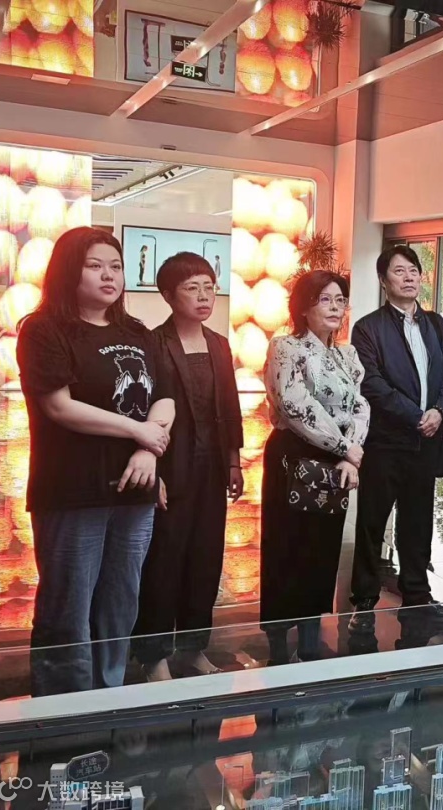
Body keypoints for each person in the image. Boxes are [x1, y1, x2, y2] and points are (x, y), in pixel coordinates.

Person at [15, 227, 176, 696]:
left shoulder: (137, 332)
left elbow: (165, 398)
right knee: (68, 607)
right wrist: (137, 431)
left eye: (116, 266)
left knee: (120, 603)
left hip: (135, 492)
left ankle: (110, 698)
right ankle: (64, 710)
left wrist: (148, 447)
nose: (109, 275)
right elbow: (59, 406)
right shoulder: (43, 329)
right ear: (69, 271)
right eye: (95, 265)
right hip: (73, 490)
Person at [131, 253, 243, 681]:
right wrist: (153, 471)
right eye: (192, 288)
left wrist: (233, 461)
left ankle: (194, 647)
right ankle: (153, 655)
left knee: (205, 558)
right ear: (168, 295)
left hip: (211, 468)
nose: (203, 296)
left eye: (209, 287)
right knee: (163, 561)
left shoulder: (219, 344)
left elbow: (230, 408)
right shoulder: (153, 343)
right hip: (171, 466)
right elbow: (142, 409)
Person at [350, 246, 443, 630]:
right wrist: (417, 416)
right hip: (385, 443)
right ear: (384, 281)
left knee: (418, 523)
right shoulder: (368, 328)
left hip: (426, 442)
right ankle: (364, 602)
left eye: (413, 270)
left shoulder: (435, 324)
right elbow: (372, 383)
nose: (409, 277)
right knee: (371, 523)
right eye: (399, 271)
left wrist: (440, 411)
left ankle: (417, 596)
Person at [261, 270, 369, 664]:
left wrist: (350, 452)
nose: (335, 308)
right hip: (294, 455)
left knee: (321, 549)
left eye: (340, 300)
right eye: (325, 299)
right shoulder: (286, 347)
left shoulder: (347, 354)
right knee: (286, 548)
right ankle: (277, 645)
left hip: (336, 461)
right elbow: (295, 406)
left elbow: (360, 406)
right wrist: (345, 446)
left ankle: (309, 640)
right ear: (304, 307)